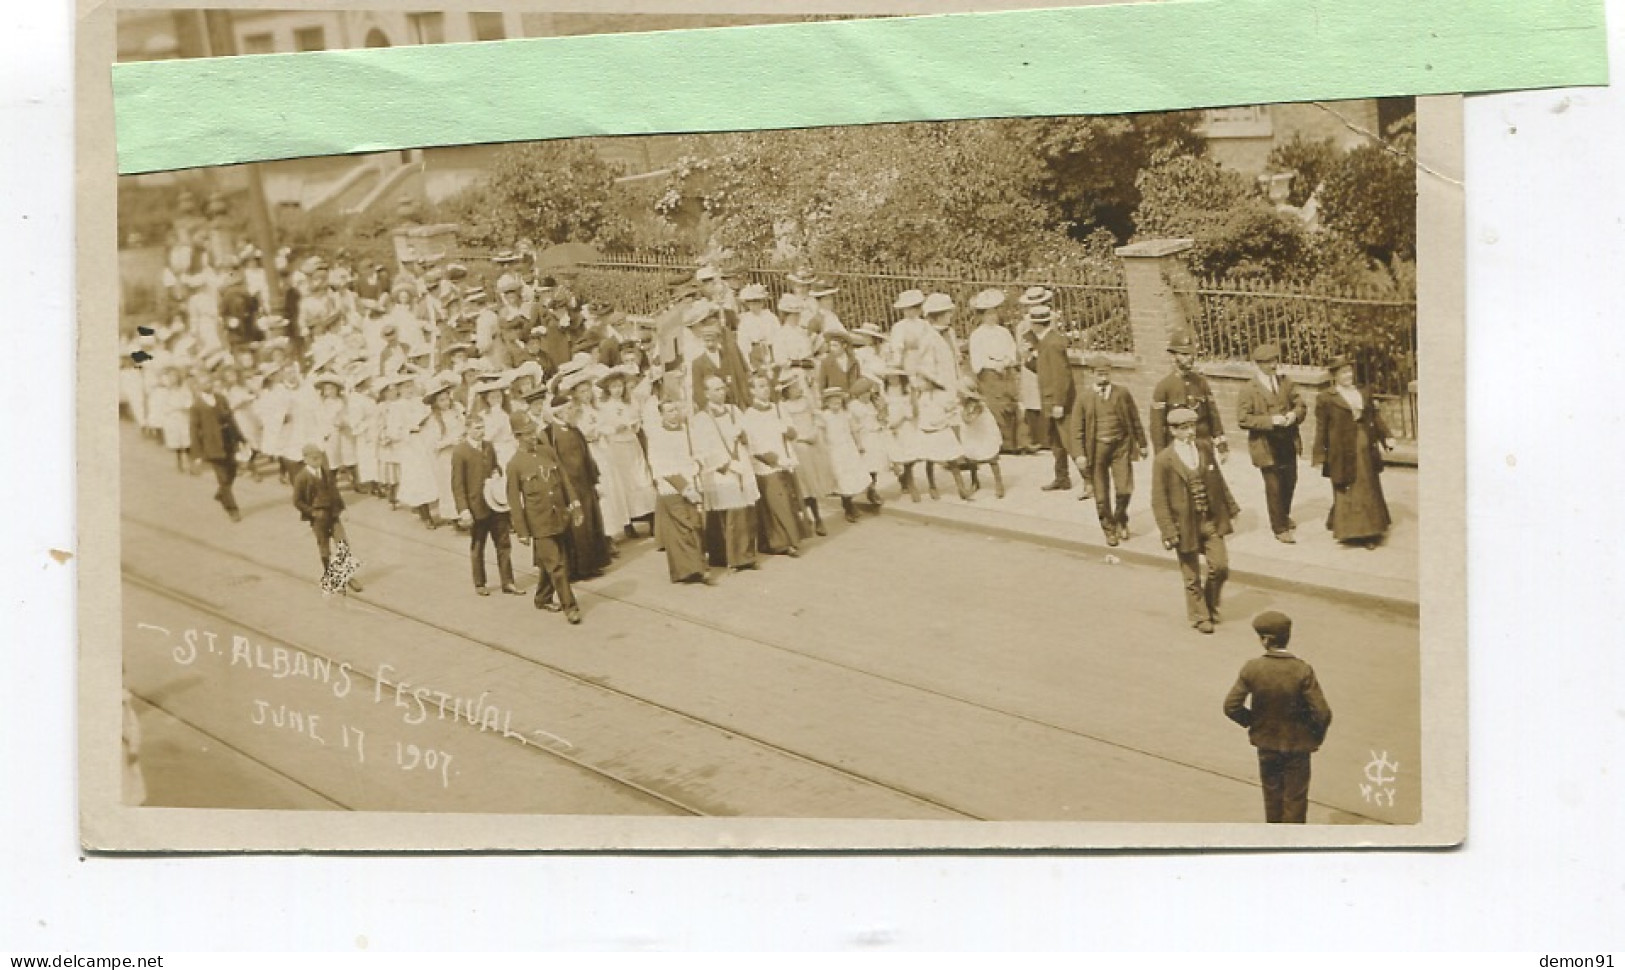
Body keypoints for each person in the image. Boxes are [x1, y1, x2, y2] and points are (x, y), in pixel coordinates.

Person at [1223, 611, 1333, 823]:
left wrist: (1253, 722)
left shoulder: (1252, 668)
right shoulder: (1302, 670)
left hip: (1267, 744)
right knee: (1296, 799)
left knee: (1272, 797)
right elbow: (1323, 713)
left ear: (1265, 640)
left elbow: (1231, 706)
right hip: (1297, 746)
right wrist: (1313, 737)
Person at [1151, 407, 1241, 635]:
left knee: (1220, 567)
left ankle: (1209, 604)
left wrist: (1231, 508)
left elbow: (1218, 481)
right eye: (1183, 428)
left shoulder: (1203, 448)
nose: (1190, 432)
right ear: (1173, 431)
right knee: (1191, 575)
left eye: (1192, 426)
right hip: (1185, 525)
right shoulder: (1164, 460)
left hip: (1209, 520)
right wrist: (1168, 530)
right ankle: (1200, 616)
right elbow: (1158, 499)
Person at [506, 411, 584, 624]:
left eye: (534, 431)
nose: (533, 436)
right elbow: (514, 501)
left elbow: (564, 480)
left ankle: (542, 597)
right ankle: (571, 606)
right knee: (558, 565)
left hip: (559, 516)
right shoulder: (515, 465)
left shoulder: (546, 452)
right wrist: (522, 531)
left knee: (551, 562)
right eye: (527, 434)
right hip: (538, 523)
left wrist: (575, 506)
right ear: (517, 437)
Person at [1311, 355, 1396, 548]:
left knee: (1367, 485)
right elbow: (1321, 428)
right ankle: (1347, 529)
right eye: (1343, 372)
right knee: (1345, 484)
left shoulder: (1363, 391)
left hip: (1364, 444)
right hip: (1340, 449)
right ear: (1334, 376)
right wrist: (1319, 455)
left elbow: (1374, 417)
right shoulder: (1326, 398)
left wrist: (1387, 437)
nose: (1348, 375)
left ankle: (1369, 533)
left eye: (1349, 371)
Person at [1236, 342, 1308, 544]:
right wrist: (1270, 421)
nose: (1273, 365)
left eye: (1275, 360)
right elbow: (1243, 419)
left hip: (1288, 441)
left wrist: (1294, 414)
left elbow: (1300, 404)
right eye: (1268, 362)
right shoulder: (1249, 389)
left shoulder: (1286, 382)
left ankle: (1283, 514)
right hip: (1266, 445)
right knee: (1274, 486)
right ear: (1258, 364)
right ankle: (1279, 527)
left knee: (1290, 481)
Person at [690, 373, 761, 571]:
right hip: (721, 468)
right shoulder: (701, 419)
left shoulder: (734, 411)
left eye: (723, 388)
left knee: (743, 512)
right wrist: (726, 465)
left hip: (741, 462)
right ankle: (727, 556)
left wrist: (744, 436)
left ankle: (743, 555)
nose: (721, 393)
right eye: (716, 390)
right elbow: (704, 448)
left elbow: (748, 434)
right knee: (727, 514)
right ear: (706, 393)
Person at [1075, 354, 1147, 545]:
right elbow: (1077, 430)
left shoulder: (1122, 393)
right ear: (1092, 374)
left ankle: (1121, 519)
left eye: (1106, 373)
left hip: (1120, 446)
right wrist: (1079, 454)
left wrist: (1143, 443)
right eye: (1099, 374)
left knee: (1124, 489)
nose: (1103, 377)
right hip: (1096, 449)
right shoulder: (1084, 398)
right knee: (1101, 495)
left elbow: (1134, 419)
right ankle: (1109, 529)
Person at [643, 398, 717, 585]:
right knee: (685, 527)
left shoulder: (687, 432)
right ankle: (697, 569)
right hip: (672, 487)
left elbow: (699, 452)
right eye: (669, 411)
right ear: (661, 414)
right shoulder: (657, 436)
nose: (674, 413)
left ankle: (690, 569)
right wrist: (684, 488)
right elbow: (661, 466)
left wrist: (698, 461)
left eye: (676, 409)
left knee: (696, 524)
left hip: (691, 481)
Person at [452, 412, 523, 597]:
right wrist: (463, 509)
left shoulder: (489, 446)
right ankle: (480, 583)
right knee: (478, 545)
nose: (481, 432)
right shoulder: (460, 451)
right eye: (477, 428)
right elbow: (457, 483)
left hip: (495, 503)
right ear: (467, 429)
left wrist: (496, 473)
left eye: (482, 427)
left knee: (503, 543)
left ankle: (508, 581)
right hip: (476, 507)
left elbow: (495, 466)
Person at [740, 373, 809, 557]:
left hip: (785, 461)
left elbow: (794, 433)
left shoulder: (779, 409)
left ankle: (793, 537)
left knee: (789, 499)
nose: (765, 389)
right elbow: (754, 446)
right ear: (752, 391)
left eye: (766, 386)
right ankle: (780, 542)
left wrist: (786, 429)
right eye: (760, 386)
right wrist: (776, 460)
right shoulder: (749, 415)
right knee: (775, 503)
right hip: (767, 464)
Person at [291, 443, 364, 594]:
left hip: (333, 514)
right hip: (318, 518)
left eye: (319, 458)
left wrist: (343, 509)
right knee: (324, 549)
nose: (317, 461)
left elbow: (335, 492)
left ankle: (347, 576)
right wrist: (312, 512)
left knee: (343, 544)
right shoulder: (301, 477)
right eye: (314, 459)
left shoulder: (325, 472)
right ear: (305, 459)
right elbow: (297, 501)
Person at [1028, 305, 1084, 496]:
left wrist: (1059, 403)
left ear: (1036, 324)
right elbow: (1045, 370)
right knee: (1056, 441)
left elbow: (1062, 377)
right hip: (1050, 401)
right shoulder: (1046, 342)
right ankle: (1062, 478)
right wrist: (1028, 360)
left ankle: (1090, 481)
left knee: (1070, 441)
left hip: (1058, 403)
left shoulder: (1052, 344)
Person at [1150, 331, 1228, 460]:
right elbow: (1157, 427)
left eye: (1191, 354)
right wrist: (1161, 456)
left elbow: (1213, 416)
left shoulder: (1201, 382)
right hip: (1177, 447)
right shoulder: (1164, 387)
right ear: (1173, 357)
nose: (1190, 358)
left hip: (1203, 445)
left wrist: (1221, 445)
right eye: (1184, 354)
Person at [966, 288, 1021, 453]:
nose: (992, 317)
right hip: (989, 374)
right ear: (982, 316)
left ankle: (1013, 442)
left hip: (1005, 371)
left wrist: (1006, 361)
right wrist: (992, 365)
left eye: (994, 313)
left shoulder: (1003, 332)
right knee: (994, 406)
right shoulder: (977, 335)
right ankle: (999, 442)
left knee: (1010, 404)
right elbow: (978, 358)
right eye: (988, 314)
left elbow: (1011, 350)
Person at [188, 371, 245, 522]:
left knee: (232, 472)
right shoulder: (196, 406)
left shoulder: (221, 399)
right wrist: (197, 454)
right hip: (212, 445)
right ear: (198, 387)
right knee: (223, 478)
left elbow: (231, 419)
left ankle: (221, 494)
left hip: (228, 441)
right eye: (204, 383)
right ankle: (232, 509)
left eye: (210, 382)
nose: (208, 385)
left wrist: (240, 438)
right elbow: (194, 430)